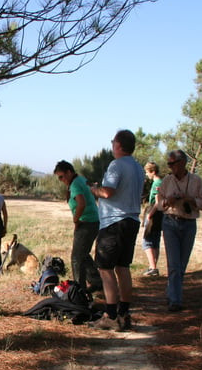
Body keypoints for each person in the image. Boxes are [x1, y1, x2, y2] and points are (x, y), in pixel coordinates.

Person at [89, 129, 144, 331]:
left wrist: (93, 189)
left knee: (105, 269)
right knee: (123, 268)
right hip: (131, 221)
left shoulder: (116, 165)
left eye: (113, 142)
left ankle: (110, 315)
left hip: (114, 223)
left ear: (119, 145)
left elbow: (107, 192)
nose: (112, 145)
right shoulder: (138, 167)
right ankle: (124, 313)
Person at [156, 149, 202, 312]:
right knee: (174, 263)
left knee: (182, 264)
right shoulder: (166, 181)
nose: (170, 167)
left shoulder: (196, 180)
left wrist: (191, 201)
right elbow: (158, 205)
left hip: (189, 224)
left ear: (182, 162)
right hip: (170, 222)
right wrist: (168, 201)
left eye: (173, 163)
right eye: (168, 164)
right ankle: (175, 300)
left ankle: (172, 291)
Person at [54, 160, 102, 292]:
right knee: (84, 254)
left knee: (76, 258)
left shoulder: (75, 184)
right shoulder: (81, 179)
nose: (61, 180)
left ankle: (78, 290)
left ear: (69, 172)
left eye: (61, 176)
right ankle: (97, 281)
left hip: (86, 222)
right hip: (93, 221)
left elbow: (81, 203)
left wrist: (76, 220)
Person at [141, 161, 163, 276]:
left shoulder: (156, 183)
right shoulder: (162, 182)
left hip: (154, 213)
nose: (146, 174)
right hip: (161, 214)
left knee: (147, 241)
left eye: (147, 172)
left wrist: (150, 215)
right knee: (155, 240)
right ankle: (153, 266)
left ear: (153, 172)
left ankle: (153, 268)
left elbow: (157, 202)